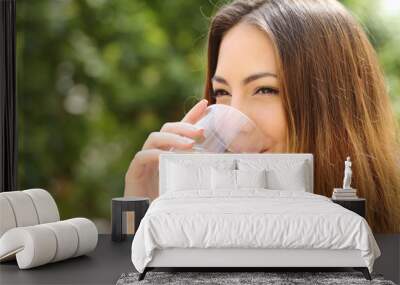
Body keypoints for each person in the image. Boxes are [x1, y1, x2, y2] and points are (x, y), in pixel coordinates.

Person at [124, 0, 400, 233]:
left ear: (335, 105)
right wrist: (147, 213)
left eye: (265, 89)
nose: (234, 122)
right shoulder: (217, 227)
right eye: (222, 92)